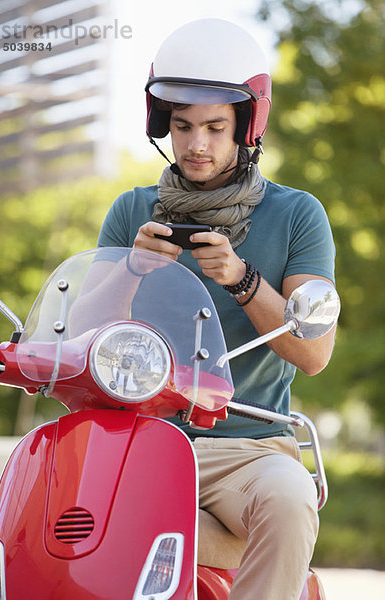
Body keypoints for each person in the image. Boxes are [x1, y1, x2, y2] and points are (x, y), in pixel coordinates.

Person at [98, 18, 337, 600]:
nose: (196, 144)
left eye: (213, 126)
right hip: (140, 437)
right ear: (162, 124)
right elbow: (86, 335)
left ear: (246, 127)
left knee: (289, 498)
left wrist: (244, 279)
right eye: (181, 126)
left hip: (248, 448)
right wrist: (130, 270)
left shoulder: (298, 215)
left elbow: (314, 355)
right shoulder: (132, 212)